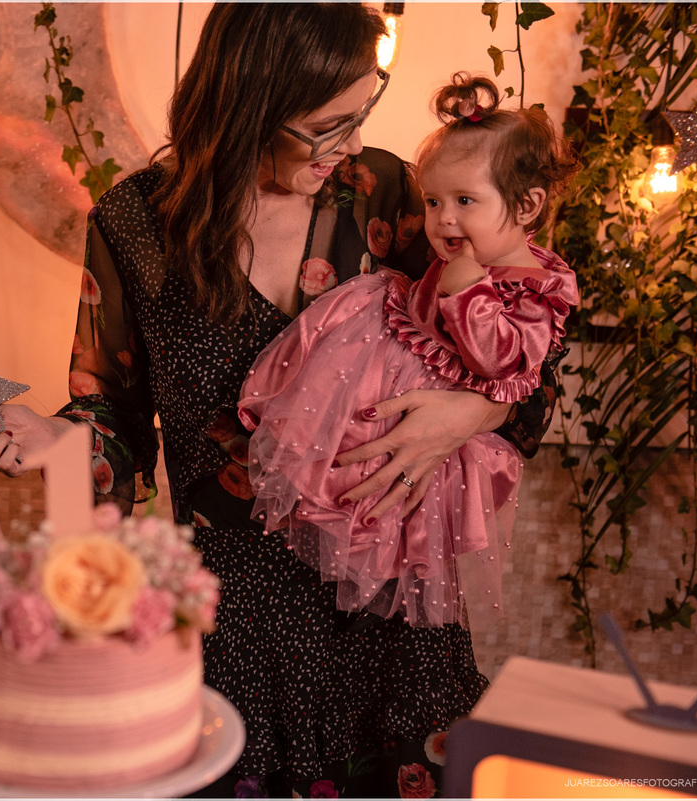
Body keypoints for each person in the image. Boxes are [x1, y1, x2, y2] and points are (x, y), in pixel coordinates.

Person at [0, 5, 560, 796]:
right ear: (252, 104)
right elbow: (114, 416)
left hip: (391, 620)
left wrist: (469, 414)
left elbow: (523, 349)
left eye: (361, 115)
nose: (350, 145)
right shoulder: (136, 224)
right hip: (232, 630)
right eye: (327, 127)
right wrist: (59, 443)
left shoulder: (385, 195)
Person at [236, 72, 579, 630]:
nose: (443, 219)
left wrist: (468, 293)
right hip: (395, 368)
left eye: (464, 201)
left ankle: (352, 527)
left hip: (433, 414)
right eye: (434, 200)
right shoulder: (461, 251)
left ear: (527, 206)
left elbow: (510, 367)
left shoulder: (536, 287)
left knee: (390, 492)